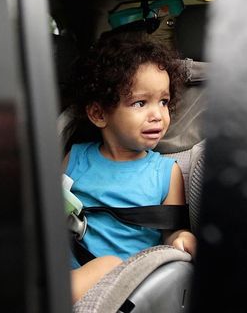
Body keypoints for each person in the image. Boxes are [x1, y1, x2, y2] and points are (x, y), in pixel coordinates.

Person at [62, 36, 198, 303]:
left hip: (127, 288)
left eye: (164, 102)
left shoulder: (165, 172)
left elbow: (169, 231)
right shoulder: (76, 157)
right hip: (68, 270)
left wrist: (182, 237)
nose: (158, 115)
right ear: (99, 114)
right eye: (140, 103)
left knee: (108, 264)